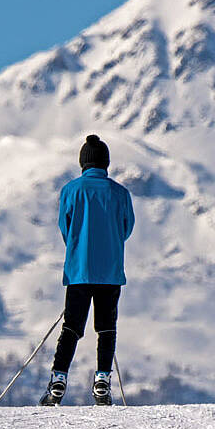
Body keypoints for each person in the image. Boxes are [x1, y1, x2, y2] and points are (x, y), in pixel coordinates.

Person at [43, 134, 135, 406]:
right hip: (110, 272)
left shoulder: (71, 190)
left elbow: (65, 227)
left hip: (79, 271)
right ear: (106, 163)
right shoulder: (120, 193)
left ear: (82, 162)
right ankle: (102, 382)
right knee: (106, 328)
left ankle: (58, 379)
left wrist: (77, 249)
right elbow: (126, 228)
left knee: (71, 326)